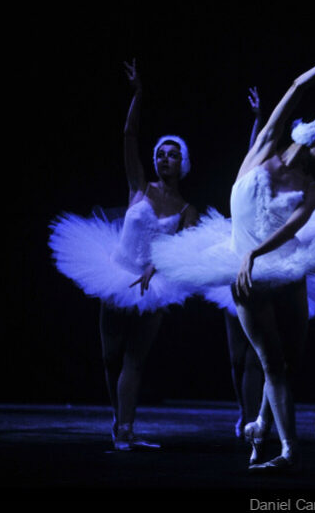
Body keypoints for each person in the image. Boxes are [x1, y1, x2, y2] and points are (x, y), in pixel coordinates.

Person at [152, 18, 315, 472]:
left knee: (288, 366)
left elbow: (293, 225)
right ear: (313, 131)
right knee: (272, 365)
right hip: (246, 272)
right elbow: (296, 86)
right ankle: (290, 450)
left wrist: (259, 253)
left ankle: (260, 425)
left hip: (285, 269)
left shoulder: (313, 189)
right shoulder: (262, 150)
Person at [49, 59, 199, 450]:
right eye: (160, 154)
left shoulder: (187, 210)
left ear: (182, 163)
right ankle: (119, 420)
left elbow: (181, 250)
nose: (163, 159)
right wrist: (138, 95)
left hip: (154, 283)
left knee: (135, 359)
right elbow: (129, 136)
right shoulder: (139, 187)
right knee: (110, 356)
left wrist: (157, 265)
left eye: (171, 155)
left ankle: (125, 429)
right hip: (117, 272)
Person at [225, 87, 264, 439]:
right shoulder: (244, 183)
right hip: (233, 261)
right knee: (237, 358)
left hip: (264, 268)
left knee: (255, 355)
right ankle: (243, 409)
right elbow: (253, 154)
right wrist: (256, 120)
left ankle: (254, 416)